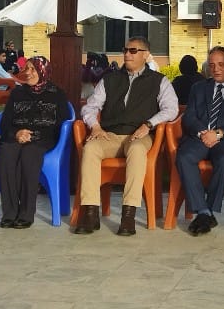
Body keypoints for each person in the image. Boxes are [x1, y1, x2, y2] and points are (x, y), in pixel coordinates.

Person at [74, 37, 178, 236]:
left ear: (145, 55)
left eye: (133, 51)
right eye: (125, 50)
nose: (127, 54)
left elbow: (171, 109)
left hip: (139, 136)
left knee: (137, 151)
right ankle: (90, 213)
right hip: (111, 135)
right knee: (91, 148)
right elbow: (90, 107)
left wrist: (149, 124)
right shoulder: (110, 79)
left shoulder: (159, 81)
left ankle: (128, 215)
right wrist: (95, 126)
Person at [176, 46, 224, 235]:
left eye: (221, 64)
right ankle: (204, 211)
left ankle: (207, 211)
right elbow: (189, 117)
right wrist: (203, 133)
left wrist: (219, 134)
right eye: (212, 65)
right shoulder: (198, 88)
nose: (216, 69)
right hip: (200, 138)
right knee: (184, 157)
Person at [0, 56, 69, 229]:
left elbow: (61, 123)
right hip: (16, 136)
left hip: (43, 139)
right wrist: (17, 133)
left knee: (29, 155)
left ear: (43, 71)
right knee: (6, 155)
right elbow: (5, 123)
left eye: (32, 69)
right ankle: (10, 213)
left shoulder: (57, 94)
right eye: (26, 69)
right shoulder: (17, 93)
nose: (27, 73)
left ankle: (26, 213)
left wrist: (35, 135)